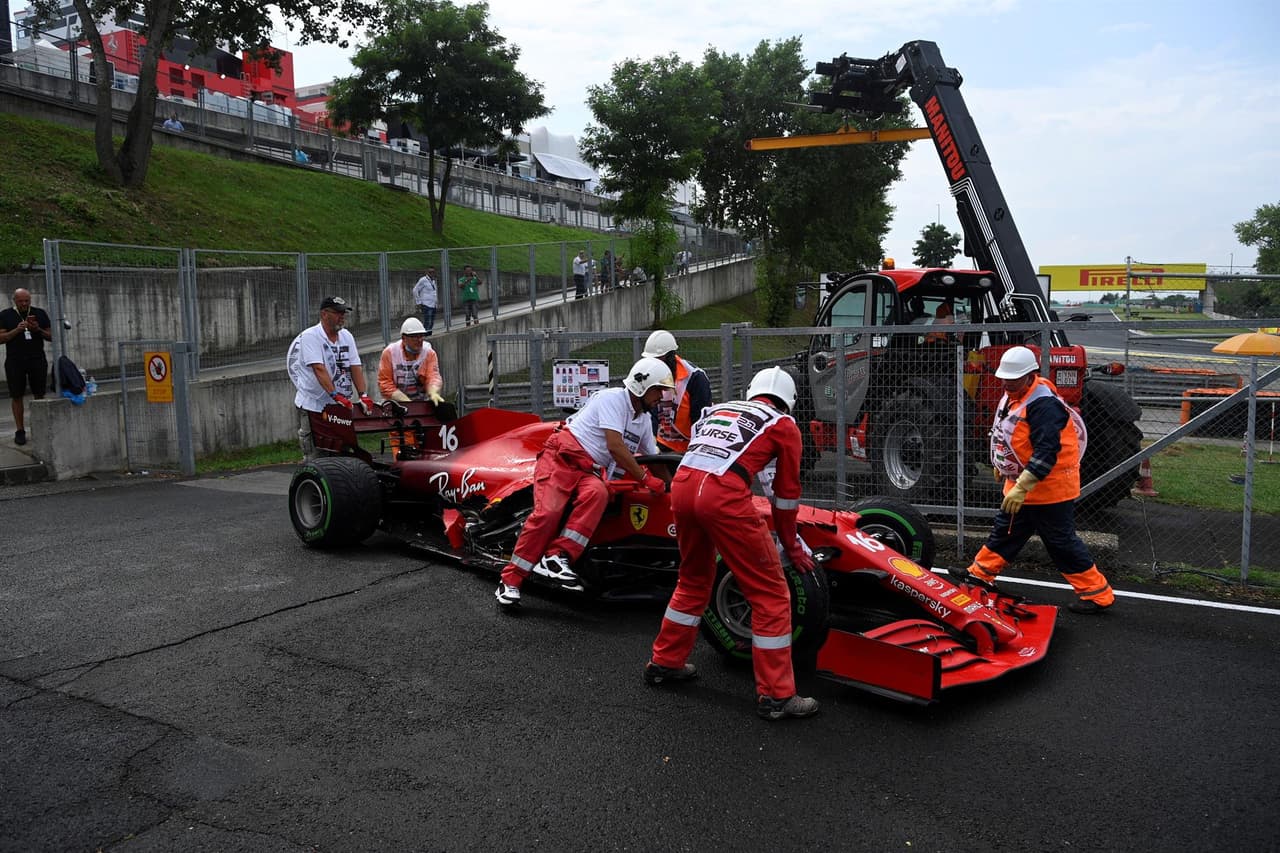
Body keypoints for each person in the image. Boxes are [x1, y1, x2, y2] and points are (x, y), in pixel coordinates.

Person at [645, 366, 820, 721]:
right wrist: (793, 545)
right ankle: (776, 696)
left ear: (753, 391)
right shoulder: (782, 425)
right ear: (789, 401)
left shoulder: (721, 409)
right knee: (771, 593)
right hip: (722, 495)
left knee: (693, 578)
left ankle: (664, 661)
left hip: (682, 488)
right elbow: (785, 498)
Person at [494, 357, 675, 609]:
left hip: (588, 470)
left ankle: (557, 556)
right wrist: (645, 479)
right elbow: (615, 446)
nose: (662, 397)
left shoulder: (643, 421)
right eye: (659, 390)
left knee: (598, 494)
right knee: (548, 514)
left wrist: (672, 488)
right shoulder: (612, 399)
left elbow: (654, 459)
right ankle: (510, 580)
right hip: (561, 460)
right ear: (642, 387)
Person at [961, 346, 1116, 615]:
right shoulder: (1015, 394)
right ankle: (980, 574)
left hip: (1049, 489)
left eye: (1013, 378)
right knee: (1007, 530)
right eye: (1005, 378)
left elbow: (1046, 453)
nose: (1007, 383)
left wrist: (1021, 486)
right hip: (1023, 484)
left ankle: (1096, 594)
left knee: (1060, 542)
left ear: (1030, 374)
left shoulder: (1044, 406)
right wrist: (1002, 465)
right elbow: (1006, 432)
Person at [285, 296, 375, 459]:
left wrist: (363, 395)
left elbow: (355, 366)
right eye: (337, 313)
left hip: (339, 407)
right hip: (314, 405)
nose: (342, 316)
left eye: (344, 313)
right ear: (324, 314)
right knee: (316, 454)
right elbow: (319, 368)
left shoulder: (347, 336)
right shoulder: (310, 336)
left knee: (343, 452)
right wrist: (335, 394)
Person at [642, 329, 711, 454]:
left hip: (688, 449)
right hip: (661, 445)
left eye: (658, 359)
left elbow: (701, 419)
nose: (654, 364)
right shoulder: (651, 374)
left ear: (670, 357)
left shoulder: (694, 377)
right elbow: (651, 412)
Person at [1, 288, 52, 446]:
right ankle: (20, 430)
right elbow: (1, 338)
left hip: (37, 359)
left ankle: (40, 427)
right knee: (16, 395)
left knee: (39, 394)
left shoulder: (40, 313)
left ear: (30, 300)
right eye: (21, 301)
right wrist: (17, 330)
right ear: (14, 300)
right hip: (15, 360)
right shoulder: (5, 315)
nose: (24, 304)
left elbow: (51, 336)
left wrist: (38, 330)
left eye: (26, 301)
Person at [412, 267, 438, 334]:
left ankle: (429, 335)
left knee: (431, 322)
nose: (432, 273)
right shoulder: (423, 280)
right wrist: (418, 302)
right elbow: (415, 290)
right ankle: (424, 336)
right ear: (427, 272)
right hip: (426, 304)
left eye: (433, 272)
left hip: (433, 304)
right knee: (427, 322)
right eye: (430, 272)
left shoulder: (433, 281)